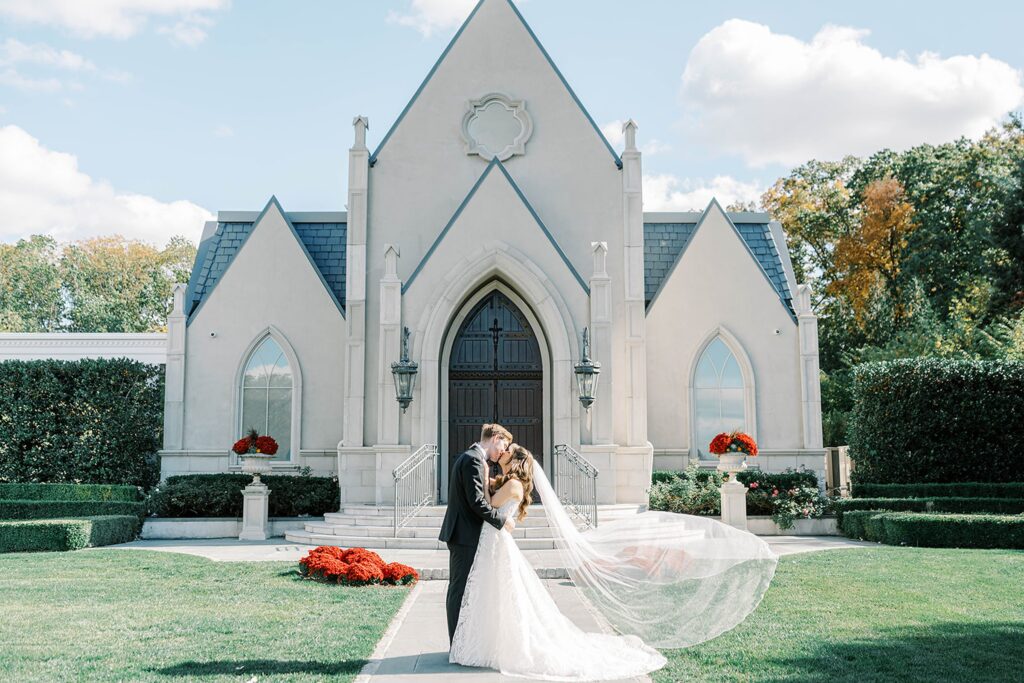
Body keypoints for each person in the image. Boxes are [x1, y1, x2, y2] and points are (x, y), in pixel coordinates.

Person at [448, 443, 779, 681]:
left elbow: (484, 504)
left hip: (495, 543)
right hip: (492, 544)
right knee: (501, 596)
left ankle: (496, 644)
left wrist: (480, 477)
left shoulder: (512, 485)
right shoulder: (512, 483)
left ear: (515, 463)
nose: (500, 455)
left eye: (505, 453)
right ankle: (487, 643)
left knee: (507, 597)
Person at [438, 423, 516, 645]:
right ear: (495, 438)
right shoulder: (472, 459)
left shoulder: (475, 459)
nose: (503, 450)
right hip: (463, 536)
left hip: (466, 535)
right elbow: (477, 503)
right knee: (459, 590)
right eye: (504, 444)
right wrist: (502, 520)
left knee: (465, 590)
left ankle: (463, 641)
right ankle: (456, 644)